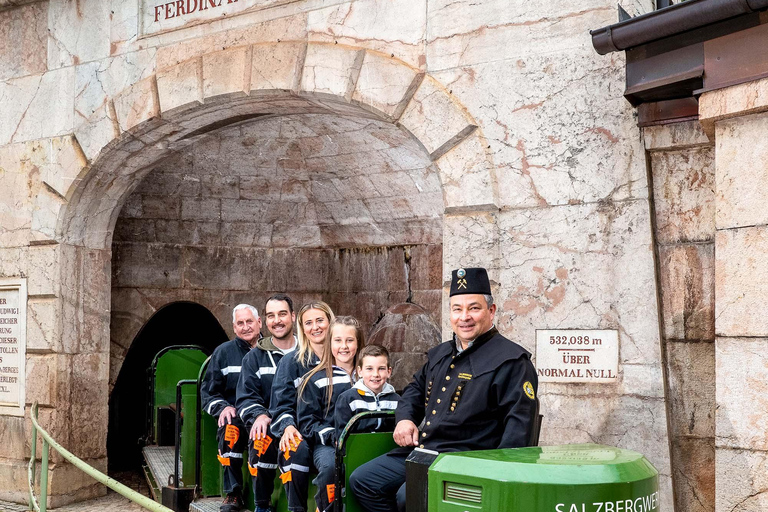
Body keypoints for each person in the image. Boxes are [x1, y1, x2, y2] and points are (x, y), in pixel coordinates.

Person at [349, 267, 538, 512]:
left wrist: (498, 475)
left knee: (409, 496)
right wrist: (405, 419)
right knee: (363, 481)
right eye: (457, 309)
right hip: (426, 451)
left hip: (469, 461)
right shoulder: (440, 354)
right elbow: (413, 391)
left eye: (474, 308)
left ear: (491, 311)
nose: (464, 317)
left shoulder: (511, 361)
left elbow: (518, 428)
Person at [292, 316, 364, 512]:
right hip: (328, 445)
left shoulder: (369, 376)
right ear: (329, 343)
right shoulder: (315, 379)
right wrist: (333, 436)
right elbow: (307, 423)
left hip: (362, 441)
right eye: (338, 340)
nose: (344, 346)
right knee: (331, 468)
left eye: (350, 340)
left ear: (358, 343)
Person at [268, 301, 335, 510]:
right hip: (302, 431)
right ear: (302, 328)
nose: (315, 327)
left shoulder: (343, 356)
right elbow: (280, 404)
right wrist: (287, 426)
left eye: (320, 320)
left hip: (332, 432)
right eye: (308, 323)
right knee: (294, 448)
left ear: (330, 322)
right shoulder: (291, 362)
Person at [235, 294, 298, 512]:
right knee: (260, 438)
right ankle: (262, 504)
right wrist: (259, 415)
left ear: (293, 316)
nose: (277, 320)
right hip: (270, 423)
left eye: (282, 314)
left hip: (303, 422)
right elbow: (246, 397)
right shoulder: (254, 358)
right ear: (265, 320)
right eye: (271, 315)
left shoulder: (308, 353)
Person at [201, 304, 263, 512]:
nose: (245, 327)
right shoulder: (223, 353)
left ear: (259, 323)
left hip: (265, 416)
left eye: (249, 321)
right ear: (234, 328)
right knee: (230, 430)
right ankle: (233, 492)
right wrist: (223, 408)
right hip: (237, 417)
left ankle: (263, 497)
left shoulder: (273, 351)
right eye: (240, 323)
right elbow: (208, 392)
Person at [334, 344, 400, 435]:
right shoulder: (347, 399)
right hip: (357, 443)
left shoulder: (397, 400)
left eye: (381, 369)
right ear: (360, 371)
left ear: (389, 372)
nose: (376, 374)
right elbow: (342, 435)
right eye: (369, 369)